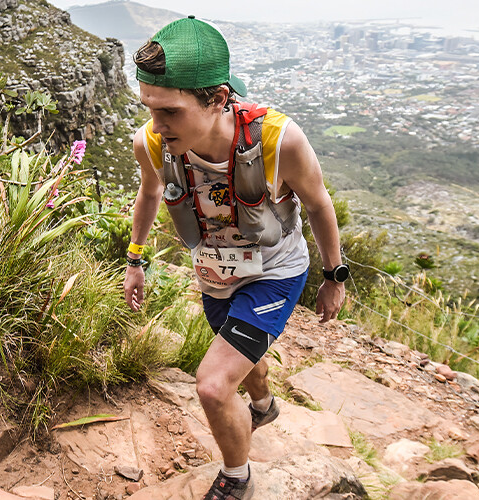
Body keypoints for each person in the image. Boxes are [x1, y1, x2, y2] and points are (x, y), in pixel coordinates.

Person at [121, 16, 350, 500]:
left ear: (218, 98)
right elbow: (148, 194)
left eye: (170, 112)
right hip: (215, 272)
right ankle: (263, 405)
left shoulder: (279, 142)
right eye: (148, 108)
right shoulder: (152, 142)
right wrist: (135, 259)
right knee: (243, 358)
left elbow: (318, 204)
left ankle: (237, 477)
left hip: (275, 272)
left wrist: (335, 275)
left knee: (213, 384)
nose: (156, 126)